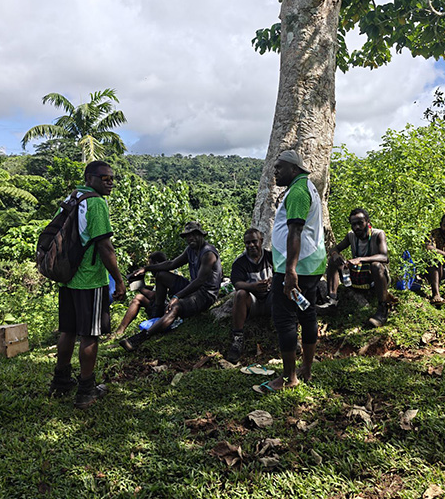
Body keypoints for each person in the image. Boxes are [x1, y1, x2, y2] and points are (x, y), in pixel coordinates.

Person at [49, 160, 126, 409]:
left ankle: (60, 382)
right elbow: (105, 247)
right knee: (90, 335)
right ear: (90, 178)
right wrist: (119, 279)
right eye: (105, 178)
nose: (110, 182)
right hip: (90, 280)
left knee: (67, 331)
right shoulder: (96, 203)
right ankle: (86, 390)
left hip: (67, 278)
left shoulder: (74, 198)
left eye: (112, 178)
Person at [255, 150, 326, 394]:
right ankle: (306, 368)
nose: (275, 172)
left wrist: (290, 272)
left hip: (296, 267)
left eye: (280, 167)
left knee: (284, 318)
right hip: (311, 265)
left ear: (294, 169)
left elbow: (295, 232)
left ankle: (289, 377)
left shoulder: (297, 191)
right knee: (307, 313)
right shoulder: (306, 187)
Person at [119, 221, 222, 351]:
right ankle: (156, 316)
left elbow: (200, 281)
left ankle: (141, 337)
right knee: (161, 275)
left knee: (176, 306)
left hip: (205, 294)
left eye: (194, 235)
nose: (191, 238)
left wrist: (177, 296)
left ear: (201, 235)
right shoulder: (190, 250)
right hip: (193, 288)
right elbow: (171, 264)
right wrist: (146, 268)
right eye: (188, 236)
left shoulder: (208, 253)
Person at [319, 208, 392, 327]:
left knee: (376, 266)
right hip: (357, 277)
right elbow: (334, 249)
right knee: (333, 260)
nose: (357, 227)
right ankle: (332, 300)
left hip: (374, 277)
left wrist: (360, 259)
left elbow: (384, 257)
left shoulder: (378, 234)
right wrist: (335, 254)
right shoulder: (351, 236)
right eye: (354, 224)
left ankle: (382, 308)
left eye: (360, 223)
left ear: (368, 222)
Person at [226, 228, 273, 363]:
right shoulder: (240, 262)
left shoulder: (271, 257)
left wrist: (272, 281)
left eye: (254, 242)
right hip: (252, 302)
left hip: (271, 299)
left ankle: (290, 335)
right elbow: (237, 284)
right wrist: (253, 286)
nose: (251, 245)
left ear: (261, 241)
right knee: (240, 294)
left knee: (282, 290)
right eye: (247, 243)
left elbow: (282, 274)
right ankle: (237, 339)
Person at [110, 251, 167, 338]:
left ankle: (120, 331)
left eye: (151, 264)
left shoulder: (163, 275)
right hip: (160, 307)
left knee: (138, 298)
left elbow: (153, 295)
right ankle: (119, 331)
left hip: (165, 309)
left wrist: (139, 286)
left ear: (156, 264)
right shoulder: (163, 273)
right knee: (138, 298)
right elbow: (156, 289)